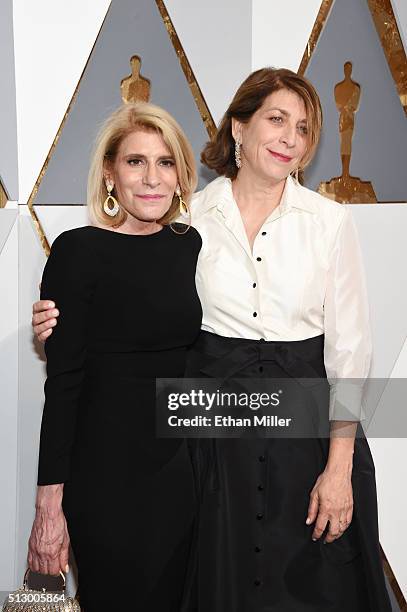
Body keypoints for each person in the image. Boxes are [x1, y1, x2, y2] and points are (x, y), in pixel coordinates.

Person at [32, 68, 391, 611]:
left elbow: (351, 354)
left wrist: (339, 468)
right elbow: (133, 302)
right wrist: (59, 322)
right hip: (213, 449)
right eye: (275, 119)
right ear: (238, 129)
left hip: (307, 439)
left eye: (302, 128)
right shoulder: (187, 219)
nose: (289, 138)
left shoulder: (329, 223)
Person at [28, 102, 202, 612]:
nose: (152, 178)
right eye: (135, 162)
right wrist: (49, 505)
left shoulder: (189, 245)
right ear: (109, 173)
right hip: (104, 479)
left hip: (180, 474)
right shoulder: (76, 252)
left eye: (165, 162)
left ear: (180, 174)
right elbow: (62, 385)